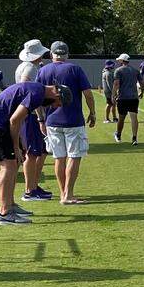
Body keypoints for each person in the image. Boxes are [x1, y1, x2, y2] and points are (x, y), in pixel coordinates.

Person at [0, 81, 69, 225]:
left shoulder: (37, 91)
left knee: (14, 163)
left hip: (1, 124)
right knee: (8, 166)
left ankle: (10, 205)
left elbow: (17, 119)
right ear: (56, 94)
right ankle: (4, 213)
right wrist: (15, 147)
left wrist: (21, 142)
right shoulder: (37, 94)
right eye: (57, 103)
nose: (54, 106)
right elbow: (14, 120)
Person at [37, 41, 96, 204]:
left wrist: (41, 119)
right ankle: (68, 195)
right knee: (74, 156)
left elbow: (37, 97)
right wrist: (92, 112)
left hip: (52, 121)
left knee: (59, 158)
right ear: (67, 54)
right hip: (73, 120)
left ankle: (64, 193)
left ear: (51, 55)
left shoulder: (43, 71)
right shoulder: (75, 69)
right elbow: (88, 94)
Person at [15, 40, 53, 202]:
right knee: (31, 153)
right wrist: (40, 117)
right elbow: (27, 88)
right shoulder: (30, 68)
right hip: (29, 115)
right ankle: (30, 190)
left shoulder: (25, 66)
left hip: (29, 113)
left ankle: (33, 186)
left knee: (41, 151)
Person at [111, 54, 141, 145]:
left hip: (123, 98)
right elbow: (143, 84)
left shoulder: (118, 70)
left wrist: (113, 95)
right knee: (134, 117)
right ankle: (134, 138)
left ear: (122, 61)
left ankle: (118, 135)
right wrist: (142, 92)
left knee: (121, 118)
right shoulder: (135, 71)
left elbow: (116, 84)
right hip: (133, 97)